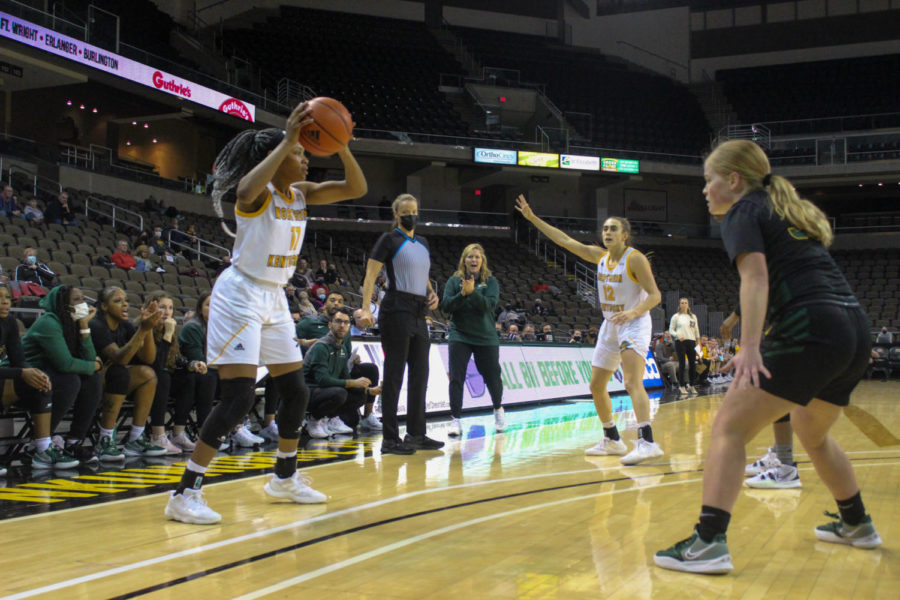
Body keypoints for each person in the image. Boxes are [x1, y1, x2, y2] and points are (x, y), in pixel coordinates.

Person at [655, 139, 881, 574]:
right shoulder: (783, 210)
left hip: (812, 327)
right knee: (811, 432)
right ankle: (856, 523)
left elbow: (755, 279)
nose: (704, 190)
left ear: (734, 180)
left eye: (709, 180)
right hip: (853, 328)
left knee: (728, 429)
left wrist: (751, 346)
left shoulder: (744, 211)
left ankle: (708, 542)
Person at [164, 101, 367, 524]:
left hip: (275, 297)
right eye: (299, 153)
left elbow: (357, 188)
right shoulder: (257, 195)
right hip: (240, 295)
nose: (306, 159)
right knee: (238, 396)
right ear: (277, 157)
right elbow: (241, 192)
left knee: (296, 391)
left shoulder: (301, 193)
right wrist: (288, 139)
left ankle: (284, 477)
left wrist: (343, 143)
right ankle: (185, 492)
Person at [516, 194, 663, 465]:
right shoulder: (600, 256)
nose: (607, 232)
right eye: (605, 228)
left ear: (625, 235)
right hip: (610, 324)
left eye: (613, 229)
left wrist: (633, 312)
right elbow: (564, 240)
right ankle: (612, 438)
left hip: (634, 322)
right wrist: (532, 218)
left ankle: (647, 441)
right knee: (596, 385)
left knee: (632, 382)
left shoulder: (635, 259)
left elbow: (655, 296)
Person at [359, 193, 443, 455]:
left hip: (419, 311)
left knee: (421, 375)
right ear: (396, 215)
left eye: (415, 211)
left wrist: (432, 293)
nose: (411, 215)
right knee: (395, 375)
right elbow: (371, 274)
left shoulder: (424, 242)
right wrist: (364, 309)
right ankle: (390, 439)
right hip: (396, 309)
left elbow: (423, 274)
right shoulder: (389, 239)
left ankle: (417, 434)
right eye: (406, 211)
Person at [22, 285, 103, 466]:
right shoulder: (49, 322)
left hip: (47, 378)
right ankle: (39, 442)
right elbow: (66, 364)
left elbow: (89, 358)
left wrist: (83, 326)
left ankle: (74, 442)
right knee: (70, 380)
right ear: (62, 304)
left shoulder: (73, 324)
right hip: (23, 380)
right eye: (77, 299)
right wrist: (94, 365)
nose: (83, 303)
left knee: (92, 380)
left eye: (83, 298)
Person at [90, 287, 166, 461]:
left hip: (115, 381)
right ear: (103, 306)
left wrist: (147, 328)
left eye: (125, 300)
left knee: (148, 373)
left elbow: (149, 358)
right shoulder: (97, 325)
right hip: (91, 381)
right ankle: (105, 439)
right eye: (117, 301)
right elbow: (120, 358)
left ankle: (136, 438)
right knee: (119, 372)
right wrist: (142, 329)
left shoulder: (125, 325)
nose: (125, 304)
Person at [0, 282, 68, 473]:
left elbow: (19, 360)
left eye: (7, 297)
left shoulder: (10, 322)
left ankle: (42, 450)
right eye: (0, 298)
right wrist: (22, 373)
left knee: (40, 383)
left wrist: (32, 372)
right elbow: (19, 370)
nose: (5, 302)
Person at [441, 243, 504, 438]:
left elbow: (488, 306)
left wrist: (472, 292)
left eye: (477, 257)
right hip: (460, 335)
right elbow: (446, 306)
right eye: (470, 257)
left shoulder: (491, 282)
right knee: (457, 377)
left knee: (492, 376)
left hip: (486, 337)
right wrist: (462, 294)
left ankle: (498, 409)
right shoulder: (454, 281)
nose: (474, 260)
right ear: (464, 260)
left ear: (482, 260)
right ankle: (456, 419)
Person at [295, 291, 381, 431]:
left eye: (340, 301)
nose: (336, 303)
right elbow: (323, 379)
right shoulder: (312, 330)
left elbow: (344, 361)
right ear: (330, 324)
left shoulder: (342, 338)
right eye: (332, 300)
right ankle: (316, 419)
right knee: (340, 392)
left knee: (362, 388)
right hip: (314, 382)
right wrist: (304, 343)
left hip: (334, 374)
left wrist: (369, 390)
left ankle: (354, 416)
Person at [175, 292, 217, 451]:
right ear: (200, 309)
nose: (213, 308)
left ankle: (236, 427)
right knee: (208, 377)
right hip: (187, 374)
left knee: (240, 378)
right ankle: (204, 433)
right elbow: (199, 361)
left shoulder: (218, 327)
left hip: (207, 372)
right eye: (208, 304)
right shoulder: (194, 326)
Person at [669, 297, 700, 396]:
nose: (684, 304)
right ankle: (681, 385)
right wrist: (677, 335)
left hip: (691, 341)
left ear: (688, 305)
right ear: (679, 305)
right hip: (680, 342)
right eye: (682, 303)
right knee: (682, 364)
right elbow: (671, 330)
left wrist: (698, 343)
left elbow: (697, 331)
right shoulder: (676, 316)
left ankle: (691, 385)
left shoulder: (693, 317)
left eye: (685, 302)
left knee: (693, 364)